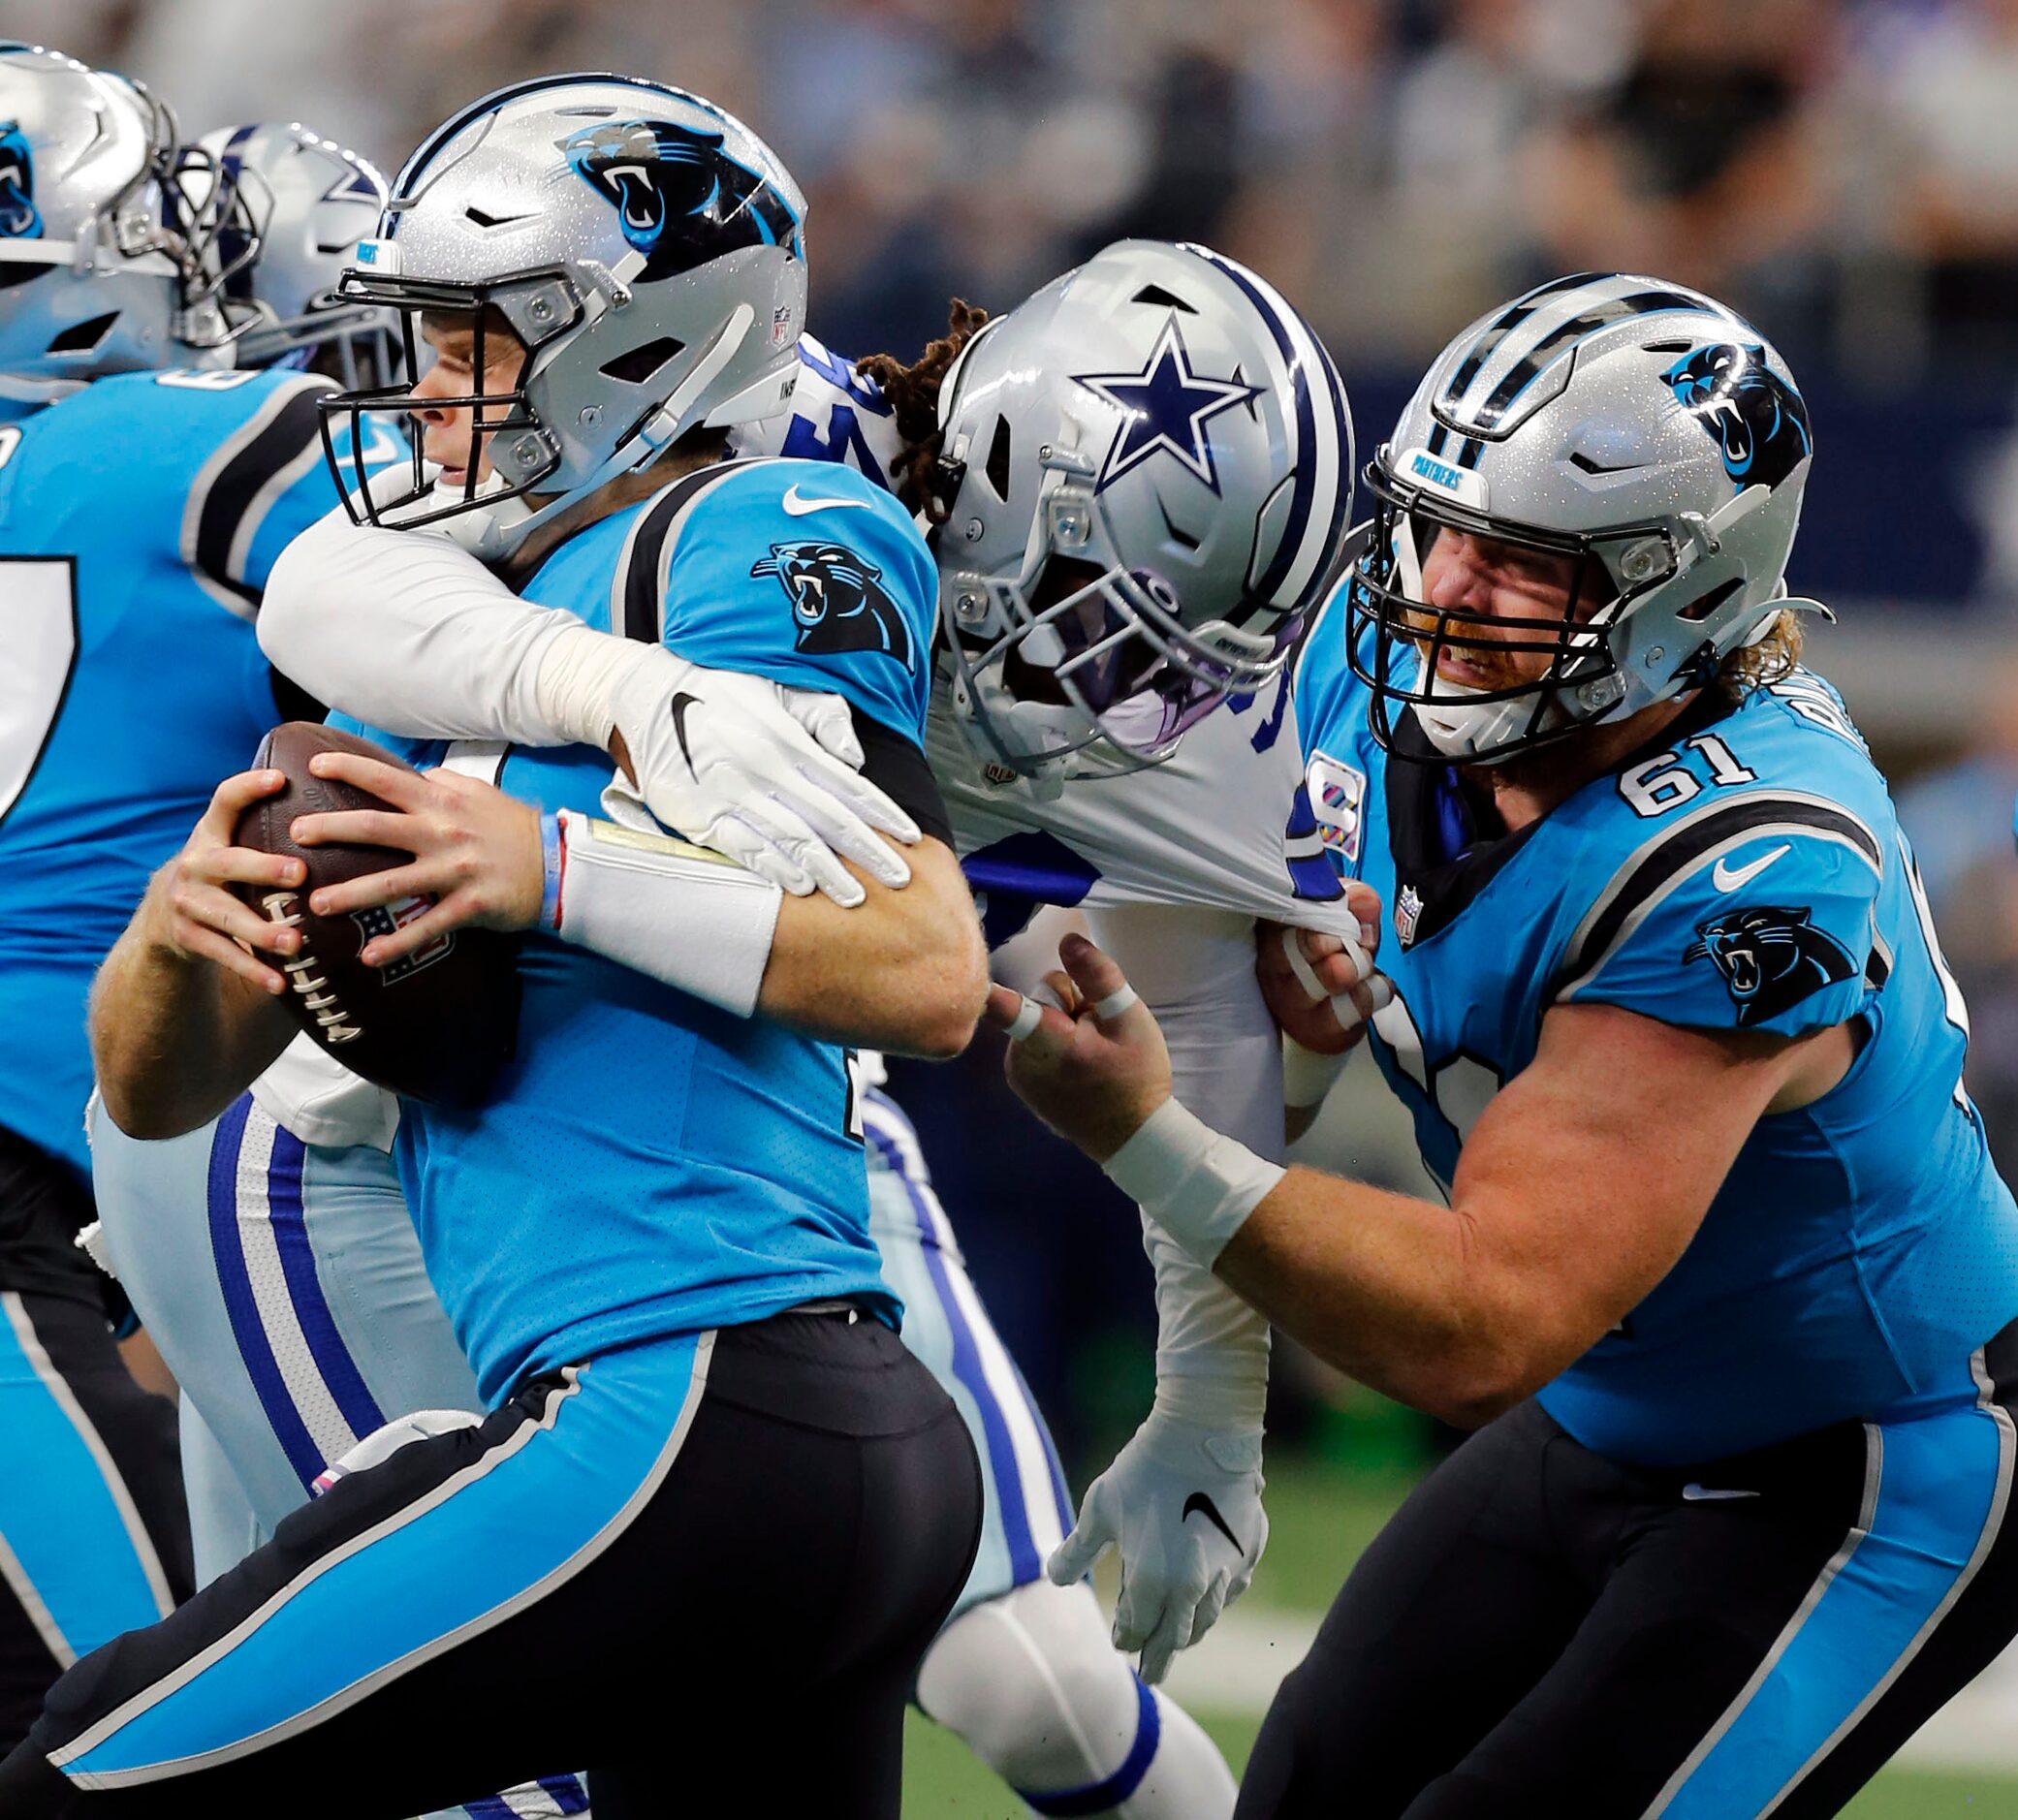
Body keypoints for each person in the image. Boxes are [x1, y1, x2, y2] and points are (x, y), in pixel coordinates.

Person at [251, 238, 1360, 1813]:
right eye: (1083, 609)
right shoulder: (760, 432)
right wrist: (613, 687)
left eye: (1159, 647)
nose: (1105, 692)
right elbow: (323, 577)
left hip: (786, 1099)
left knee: (1029, 1683)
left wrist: (1206, 1404)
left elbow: (1203, 1024)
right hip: (440, 1089)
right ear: (985, 470)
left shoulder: (1201, 720)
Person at [0, 74, 985, 1818]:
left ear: (645, 341)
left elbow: (924, 967)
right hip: (755, 1437)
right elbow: (153, 1096)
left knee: (71, 1779)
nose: (430, 393)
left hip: (693, 1398)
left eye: (476, 342)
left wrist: (550, 869)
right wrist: (176, 925)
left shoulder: (742, 531)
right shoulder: (472, 617)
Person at [985, 272, 2018, 1819]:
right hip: (1611, 1408)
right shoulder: (1372, 654)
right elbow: (1197, 930)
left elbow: (1483, 1321)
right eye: (1435, 524)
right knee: (1307, 1787)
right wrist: (1205, 1392)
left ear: (1682, 588)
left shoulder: (1748, 865)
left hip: (1864, 1456)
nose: (1442, 587)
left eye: (1521, 561)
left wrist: (1147, 1133)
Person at [80, 118, 591, 1820]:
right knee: (459, 1706)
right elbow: (336, 596)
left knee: (290, 1724)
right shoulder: (334, 535)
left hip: (319, 1128)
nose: (404, 403)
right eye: (392, 350)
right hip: (280, 1134)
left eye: (455, 345)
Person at [0, 42, 387, 1754]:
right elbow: (501, 588)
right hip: (34, 1192)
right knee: (169, 1745)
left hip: (99, 1214)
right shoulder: (180, 443)